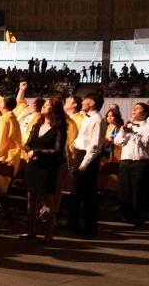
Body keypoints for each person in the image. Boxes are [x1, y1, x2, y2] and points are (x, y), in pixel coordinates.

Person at [22, 97, 67, 243]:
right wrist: (30, 151)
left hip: (48, 168)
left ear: (54, 110)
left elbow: (57, 151)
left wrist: (36, 152)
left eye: (47, 105)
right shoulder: (37, 125)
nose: (44, 107)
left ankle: (48, 234)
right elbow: (28, 144)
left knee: (48, 201)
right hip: (33, 166)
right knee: (31, 199)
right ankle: (31, 230)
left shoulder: (59, 129)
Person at [66, 93, 104, 236]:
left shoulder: (98, 119)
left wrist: (85, 163)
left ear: (92, 102)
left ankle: (89, 227)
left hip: (88, 158)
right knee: (75, 190)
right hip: (81, 154)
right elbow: (83, 136)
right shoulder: (87, 117)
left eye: (85, 100)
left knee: (87, 194)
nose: (82, 102)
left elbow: (95, 144)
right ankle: (73, 222)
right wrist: (75, 143)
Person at [116, 103, 149, 226]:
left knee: (139, 191)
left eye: (137, 108)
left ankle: (139, 217)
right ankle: (125, 215)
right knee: (125, 190)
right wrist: (125, 131)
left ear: (144, 113)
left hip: (140, 163)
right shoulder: (127, 125)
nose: (133, 110)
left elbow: (145, 143)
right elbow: (117, 141)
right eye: (133, 108)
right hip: (125, 161)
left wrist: (132, 132)